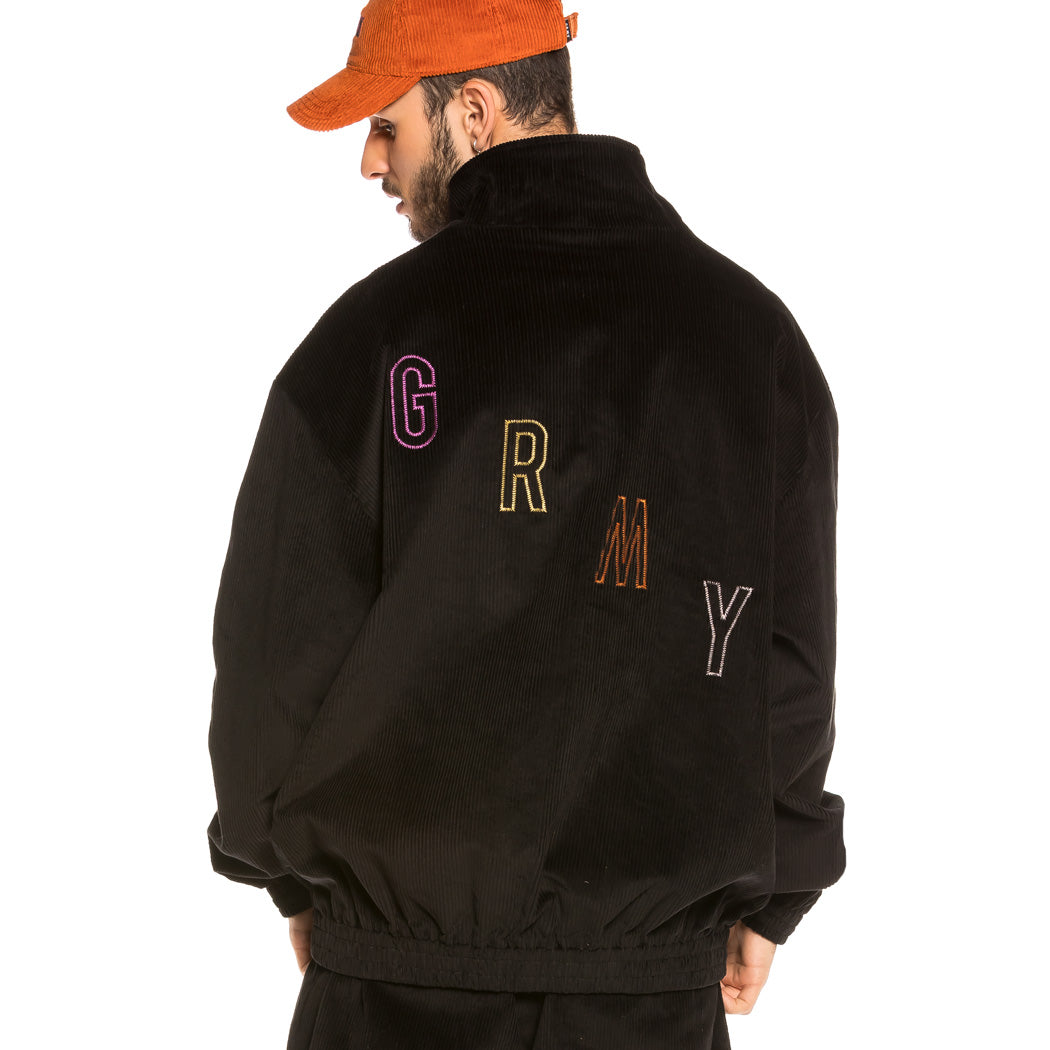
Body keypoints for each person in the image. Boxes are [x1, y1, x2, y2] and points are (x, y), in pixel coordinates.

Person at [205, 2, 846, 1047]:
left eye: (387, 126)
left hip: (392, 992)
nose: (371, 162)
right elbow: (790, 660)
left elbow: (275, 653)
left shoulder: (365, 344)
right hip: (648, 1005)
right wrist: (777, 895)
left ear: (474, 110)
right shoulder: (753, 343)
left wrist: (294, 881)